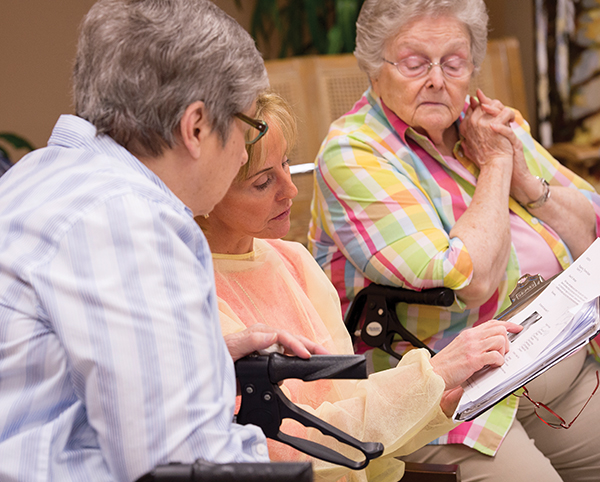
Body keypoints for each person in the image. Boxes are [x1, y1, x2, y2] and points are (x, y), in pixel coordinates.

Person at [0, 2, 325, 481]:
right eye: (249, 127)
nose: (242, 155)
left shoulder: (35, 175)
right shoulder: (130, 220)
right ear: (195, 127)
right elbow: (190, 464)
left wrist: (197, 360)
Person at [309, 0, 600, 481]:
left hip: (558, 369)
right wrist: (497, 166)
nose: (437, 80)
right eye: (414, 62)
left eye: (454, 62)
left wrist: (528, 186)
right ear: (374, 67)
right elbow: (468, 278)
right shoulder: (354, 153)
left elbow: (591, 225)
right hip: (453, 400)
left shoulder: (485, 123)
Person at [198, 91, 523, 482]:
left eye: (286, 165)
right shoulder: (191, 296)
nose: (291, 189)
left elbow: (351, 415)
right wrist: (432, 373)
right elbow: (287, 449)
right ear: (205, 193)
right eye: (264, 182)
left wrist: (438, 399)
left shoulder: (293, 260)